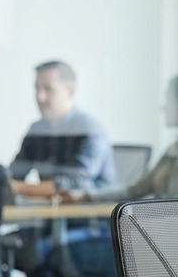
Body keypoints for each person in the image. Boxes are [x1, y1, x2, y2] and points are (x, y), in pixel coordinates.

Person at [62, 71, 178, 203]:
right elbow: (135, 190)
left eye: (169, 100)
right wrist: (86, 195)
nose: (163, 107)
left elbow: (175, 204)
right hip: (156, 229)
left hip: (173, 235)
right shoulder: (176, 149)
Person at [8, 59, 116, 198]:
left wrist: (17, 187)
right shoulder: (38, 130)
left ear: (70, 92)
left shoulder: (89, 130)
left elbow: (73, 185)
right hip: (50, 214)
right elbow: (15, 174)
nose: (40, 97)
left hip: (89, 215)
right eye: (37, 88)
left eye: (48, 89)